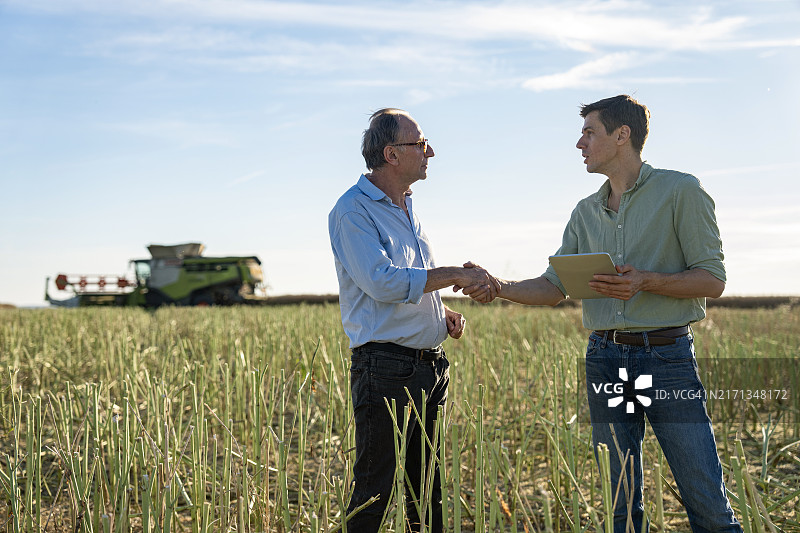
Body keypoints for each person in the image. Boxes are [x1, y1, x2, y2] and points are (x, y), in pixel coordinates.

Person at [463, 95, 742, 532]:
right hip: (605, 359)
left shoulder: (681, 191)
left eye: (589, 132)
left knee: (704, 497)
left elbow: (712, 280)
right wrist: (498, 287)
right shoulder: (584, 212)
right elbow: (553, 286)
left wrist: (645, 281)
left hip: (666, 359)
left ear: (622, 135)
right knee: (620, 502)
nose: (580, 143)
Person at [328, 108, 498, 533]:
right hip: (385, 368)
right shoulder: (353, 211)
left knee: (426, 491)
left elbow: (411, 283)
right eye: (420, 144)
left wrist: (440, 312)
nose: (430, 152)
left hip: (429, 366)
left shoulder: (407, 209)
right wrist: (456, 275)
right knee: (374, 492)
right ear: (391, 154)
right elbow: (382, 283)